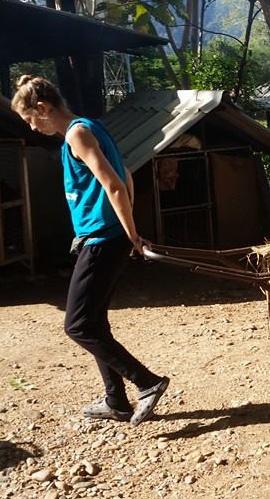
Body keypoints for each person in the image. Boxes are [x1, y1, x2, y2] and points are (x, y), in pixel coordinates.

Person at [11, 75, 169, 426]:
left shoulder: (76, 134)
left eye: (30, 119)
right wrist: (129, 231)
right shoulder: (89, 127)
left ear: (43, 108)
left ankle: (147, 382)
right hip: (104, 237)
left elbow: (114, 185)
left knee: (78, 325)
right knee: (94, 321)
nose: (32, 127)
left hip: (102, 239)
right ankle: (116, 401)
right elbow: (126, 174)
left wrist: (132, 235)